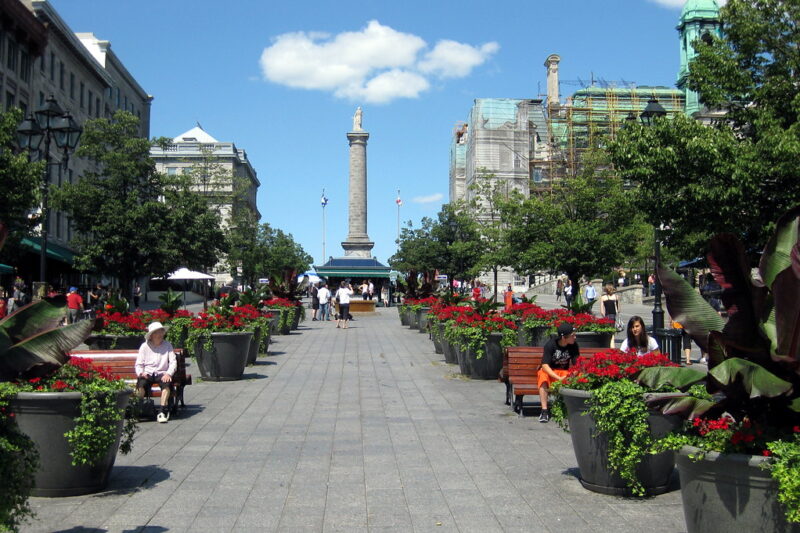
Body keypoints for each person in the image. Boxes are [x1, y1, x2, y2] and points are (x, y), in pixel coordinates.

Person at [135, 322, 177, 423]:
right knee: (140, 384)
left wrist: (168, 373)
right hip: (148, 373)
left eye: (161, 332)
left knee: (166, 384)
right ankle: (139, 409)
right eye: (157, 332)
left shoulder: (167, 345)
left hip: (162, 373)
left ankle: (162, 411)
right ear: (151, 335)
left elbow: (173, 362)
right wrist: (141, 372)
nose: (160, 334)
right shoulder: (144, 346)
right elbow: (138, 364)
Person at [537, 323, 580, 423]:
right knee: (542, 375)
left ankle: (576, 409)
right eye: (573, 335)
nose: (575, 337)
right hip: (552, 373)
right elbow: (545, 365)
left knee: (581, 376)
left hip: (565, 373)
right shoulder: (550, 345)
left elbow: (578, 365)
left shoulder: (574, 345)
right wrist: (558, 378)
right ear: (564, 338)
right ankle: (544, 411)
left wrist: (571, 375)